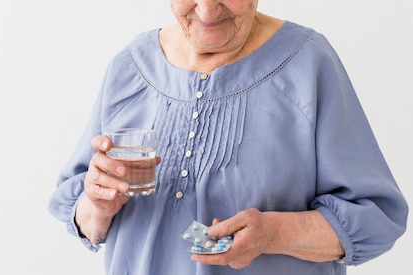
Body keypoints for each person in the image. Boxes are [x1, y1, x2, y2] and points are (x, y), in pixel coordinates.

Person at [48, 0, 409, 274]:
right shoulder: (128, 66)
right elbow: (82, 216)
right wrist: (98, 205)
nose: (206, 11)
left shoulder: (308, 63)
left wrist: (273, 233)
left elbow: (375, 219)